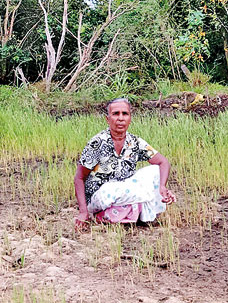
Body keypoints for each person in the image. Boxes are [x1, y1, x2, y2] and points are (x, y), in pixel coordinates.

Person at [74, 98, 176, 231]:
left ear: (130, 118)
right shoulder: (97, 143)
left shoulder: (135, 141)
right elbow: (79, 178)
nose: (120, 118)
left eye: (125, 114)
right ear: (107, 118)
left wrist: (162, 187)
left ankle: (131, 214)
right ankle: (118, 212)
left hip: (125, 190)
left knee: (154, 171)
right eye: (116, 114)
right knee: (115, 190)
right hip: (101, 195)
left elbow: (163, 162)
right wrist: (83, 212)